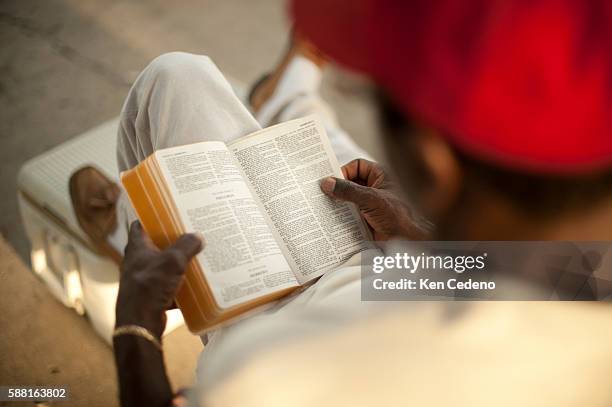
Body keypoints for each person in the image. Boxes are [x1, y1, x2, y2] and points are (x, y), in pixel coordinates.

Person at [69, 1, 612, 406]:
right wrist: (422, 240)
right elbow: (545, 276)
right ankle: (287, 100)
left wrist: (134, 327)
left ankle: (125, 236)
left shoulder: (273, 378)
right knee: (184, 78)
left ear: (435, 162)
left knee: (168, 84)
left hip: (272, 322)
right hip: (392, 271)